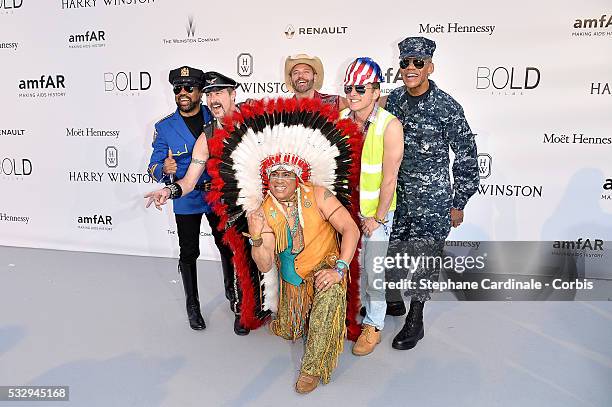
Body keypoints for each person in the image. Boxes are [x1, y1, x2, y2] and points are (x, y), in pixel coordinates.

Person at [145, 98, 363, 393]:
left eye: (287, 174)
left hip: (327, 269)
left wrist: (340, 268)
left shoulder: (319, 194)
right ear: (266, 179)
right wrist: (258, 235)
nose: (280, 180)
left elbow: (350, 228)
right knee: (288, 330)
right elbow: (264, 264)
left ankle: (312, 368)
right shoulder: (262, 211)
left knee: (329, 296)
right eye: (274, 175)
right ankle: (301, 318)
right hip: (293, 283)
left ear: (298, 177)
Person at [384, 37, 479, 350]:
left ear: (430, 67)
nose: (410, 68)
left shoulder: (446, 107)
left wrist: (459, 202)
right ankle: (393, 301)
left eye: (418, 62)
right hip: (398, 196)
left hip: (433, 198)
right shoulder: (394, 101)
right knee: (394, 252)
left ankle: (416, 317)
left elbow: (466, 153)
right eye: (405, 62)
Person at [340, 57, 404, 356]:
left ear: (375, 92)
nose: (352, 93)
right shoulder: (339, 119)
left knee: (374, 270)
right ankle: (343, 314)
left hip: (374, 213)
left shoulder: (389, 125)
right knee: (345, 263)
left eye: (360, 88)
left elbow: (390, 177)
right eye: (349, 87)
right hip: (343, 209)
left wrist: (377, 218)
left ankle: (374, 323)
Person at [147, 66, 213, 331]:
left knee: (227, 247)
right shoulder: (164, 127)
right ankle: (193, 305)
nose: (183, 93)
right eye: (178, 89)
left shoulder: (216, 115)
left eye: (189, 88)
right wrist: (165, 168)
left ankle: (235, 297)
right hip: (186, 198)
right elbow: (152, 167)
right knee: (189, 251)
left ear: (200, 91)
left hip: (217, 195)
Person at [200, 70, 250, 335]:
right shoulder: (207, 133)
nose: (213, 99)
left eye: (218, 92)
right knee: (237, 254)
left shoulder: (254, 120)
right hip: (230, 207)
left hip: (261, 201)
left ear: (233, 94)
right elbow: (191, 175)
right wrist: (171, 190)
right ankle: (241, 310)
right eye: (209, 94)